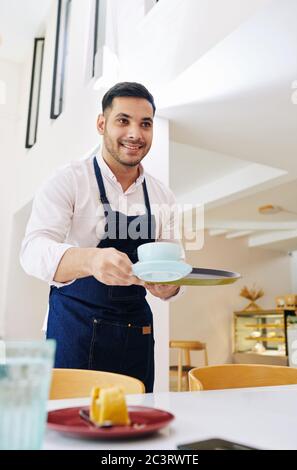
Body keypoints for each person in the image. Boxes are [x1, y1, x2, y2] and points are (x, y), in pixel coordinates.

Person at [20, 82, 183, 392]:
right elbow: (32, 250)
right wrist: (91, 259)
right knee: (72, 433)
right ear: (101, 124)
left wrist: (169, 284)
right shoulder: (69, 180)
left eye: (145, 124)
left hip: (137, 334)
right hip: (75, 330)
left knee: (135, 428)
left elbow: (174, 265)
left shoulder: (163, 195)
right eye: (123, 120)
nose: (135, 133)